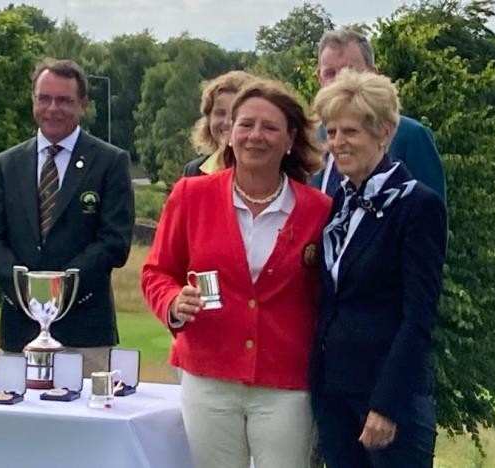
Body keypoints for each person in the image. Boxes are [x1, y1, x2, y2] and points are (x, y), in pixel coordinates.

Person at [142, 78, 331, 468]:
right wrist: (174, 302)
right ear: (228, 134)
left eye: (270, 127)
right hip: (208, 377)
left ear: (290, 139)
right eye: (245, 125)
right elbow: (157, 272)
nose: (255, 136)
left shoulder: (319, 210)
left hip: (286, 382)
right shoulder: (190, 195)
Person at [310, 68, 447, 468]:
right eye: (331, 132)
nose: (337, 143)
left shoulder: (417, 206)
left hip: (388, 402)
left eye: (350, 132)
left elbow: (418, 316)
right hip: (334, 394)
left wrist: (386, 405)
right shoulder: (339, 203)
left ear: (384, 132)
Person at [0, 58, 134, 375]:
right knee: (19, 422)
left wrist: (58, 287)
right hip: (20, 330)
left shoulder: (110, 162)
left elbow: (114, 243)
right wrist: (27, 288)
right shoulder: (6, 164)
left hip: (85, 329)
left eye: (64, 100)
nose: (53, 108)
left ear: (83, 105)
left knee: (86, 422)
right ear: (33, 100)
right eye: (44, 98)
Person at [311, 29, 446, 201]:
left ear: (373, 74)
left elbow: (431, 214)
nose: (339, 81)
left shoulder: (411, 136)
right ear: (319, 78)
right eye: (330, 73)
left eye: (350, 70)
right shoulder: (311, 140)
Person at [183, 70, 255, 177]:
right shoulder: (194, 171)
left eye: (235, 114)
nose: (227, 122)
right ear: (208, 118)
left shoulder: (277, 170)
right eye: (220, 113)